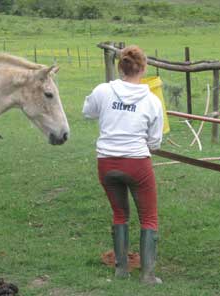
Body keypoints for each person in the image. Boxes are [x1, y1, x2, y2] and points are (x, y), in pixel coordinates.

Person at [82, 45, 164, 284]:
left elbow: (88, 112)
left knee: (120, 214)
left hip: (106, 163)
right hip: (137, 164)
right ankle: (147, 275)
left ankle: (121, 269)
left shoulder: (103, 90)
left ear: (120, 66)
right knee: (148, 218)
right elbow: (155, 142)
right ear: (144, 68)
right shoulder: (151, 100)